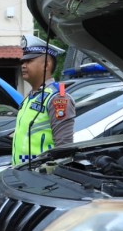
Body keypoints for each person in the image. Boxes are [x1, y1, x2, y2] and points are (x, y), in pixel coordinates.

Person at [11, 35, 76, 164]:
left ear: (46, 64)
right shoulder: (30, 98)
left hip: (41, 177)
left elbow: (63, 149)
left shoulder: (57, 98)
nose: (23, 65)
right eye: (23, 61)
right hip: (22, 175)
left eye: (29, 61)